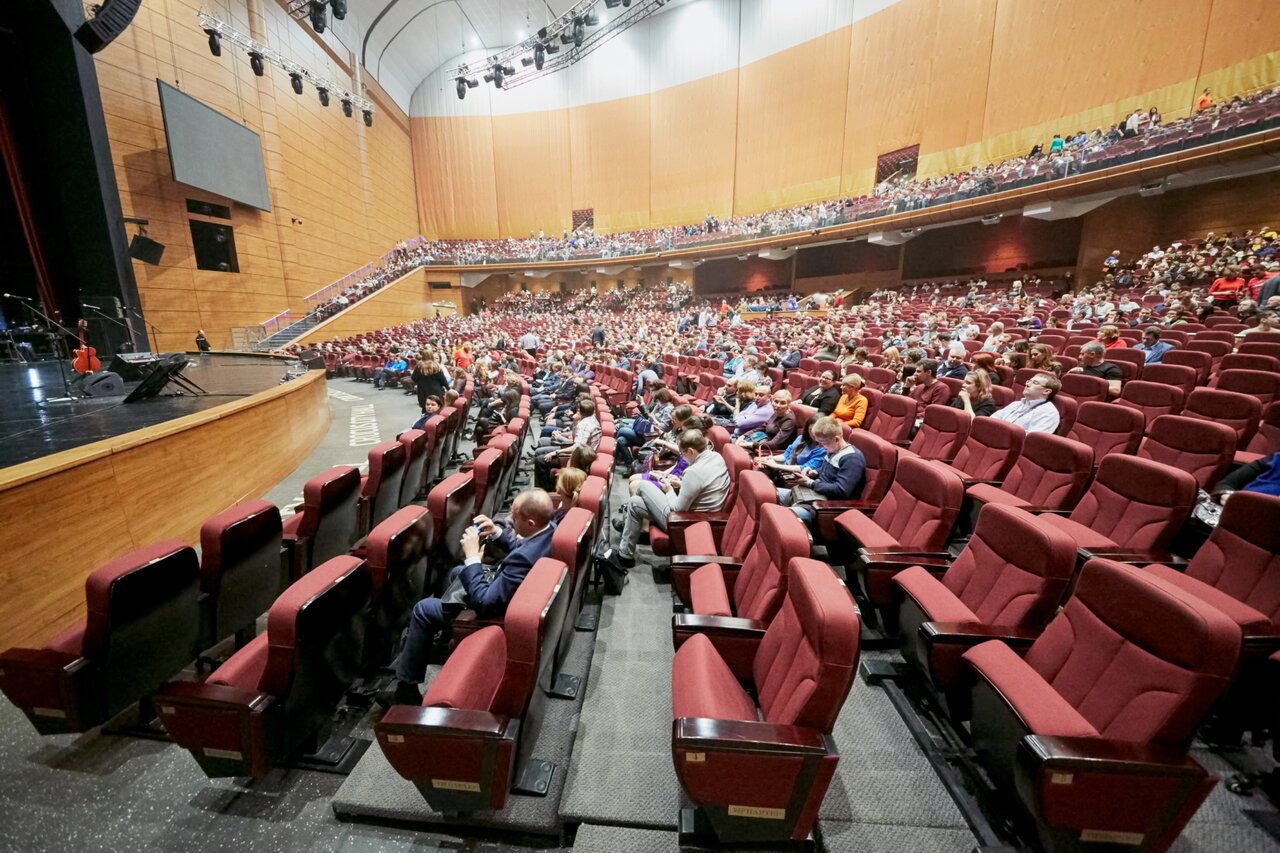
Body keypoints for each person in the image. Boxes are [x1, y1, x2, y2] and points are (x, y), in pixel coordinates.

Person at [377, 489, 557, 707]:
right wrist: (498, 534)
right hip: (509, 591)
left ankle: (406, 691)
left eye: (515, 515)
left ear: (529, 523)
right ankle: (445, 634)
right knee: (457, 572)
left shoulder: (522, 560)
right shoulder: (549, 530)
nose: (509, 518)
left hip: (496, 613)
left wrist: (473, 557)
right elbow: (525, 547)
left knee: (424, 609)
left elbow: (485, 602)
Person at [609, 429, 730, 567]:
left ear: (691, 451)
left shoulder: (694, 472)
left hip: (685, 522)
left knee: (642, 486)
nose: (682, 457)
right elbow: (701, 487)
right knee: (635, 503)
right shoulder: (716, 457)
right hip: (697, 515)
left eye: (682, 453)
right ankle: (625, 555)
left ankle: (628, 529)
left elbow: (676, 508)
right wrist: (681, 483)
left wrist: (668, 489)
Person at [776, 416, 865, 523]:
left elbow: (841, 490)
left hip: (825, 506)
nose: (821, 447)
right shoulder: (833, 449)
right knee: (770, 493)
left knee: (780, 516)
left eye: (823, 443)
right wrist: (814, 472)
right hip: (812, 495)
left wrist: (810, 483)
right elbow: (827, 472)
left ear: (836, 439)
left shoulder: (852, 458)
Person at [535, 398, 600, 489]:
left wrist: (556, 452)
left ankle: (547, 491)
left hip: (580, 459)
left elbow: (577, 447)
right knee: (540, 452)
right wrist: (575, 421)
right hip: (582, 453)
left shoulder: (584, 424)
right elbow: (576, 440)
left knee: (540, 460)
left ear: (580, 411)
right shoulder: (591, 419)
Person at [992, 373, 1062, 434]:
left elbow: (1033, 439)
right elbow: (992, 420)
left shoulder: (1049, 413)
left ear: (1046, 391)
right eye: (1029, 381)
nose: (1027, 384)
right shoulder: (1016, 404)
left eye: (1035, 383)